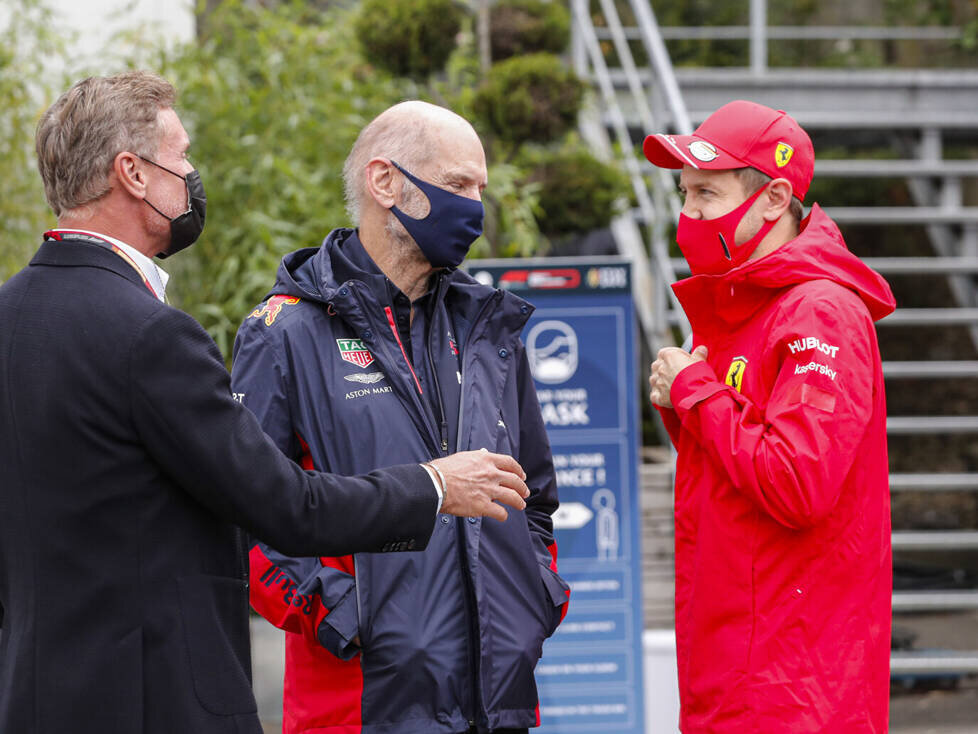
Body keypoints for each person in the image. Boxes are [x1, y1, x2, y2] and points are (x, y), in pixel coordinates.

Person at [0, 72, 531, 734]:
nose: (192, 176)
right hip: (158, 701)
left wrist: (527, 600)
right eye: (182, 156)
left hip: (34, 695)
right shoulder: (157, 334)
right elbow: (281, 508)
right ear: (131, 173)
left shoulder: (10, 315)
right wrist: (431, 489)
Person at [231, 100, 569, 734]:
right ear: (384, 182)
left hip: (497, 703)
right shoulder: (285, 332)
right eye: (459, 184)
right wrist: (348, 619)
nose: (475, 206)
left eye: (481, 188)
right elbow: (245, 515)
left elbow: (536, 500)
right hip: (362, 704)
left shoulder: (488, 330)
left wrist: (533, 602)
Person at [643, 100, 896, 732]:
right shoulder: (747, 301)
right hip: (740, 664)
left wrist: (696, 392)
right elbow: (738, 475)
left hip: (793, 682)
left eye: (707, 193)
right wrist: (684, 408)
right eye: (685, 193)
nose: (689, 214)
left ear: (774, 197)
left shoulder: (819, 311)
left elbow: (797, 483)